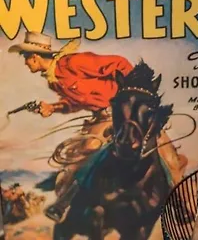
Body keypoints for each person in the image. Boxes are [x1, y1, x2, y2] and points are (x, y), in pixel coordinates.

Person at [8, 32, 187, 223]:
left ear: (35, 57)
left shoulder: (72, 63)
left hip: (122, 111)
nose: (26, 63)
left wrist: (131, 96)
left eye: (26, 58)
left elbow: (119, 63)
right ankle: (65, 201)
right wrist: (53, 107)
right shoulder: (54, 81)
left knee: (167, 152)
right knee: (86, 149)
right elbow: (74, 104)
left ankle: (180, 204)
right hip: (102, 118)